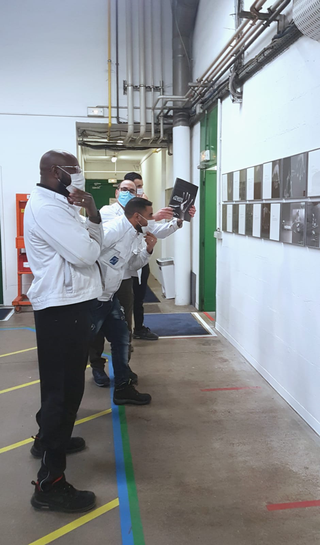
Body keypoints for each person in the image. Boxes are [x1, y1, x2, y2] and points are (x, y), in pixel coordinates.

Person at [24, 150, 103, 513]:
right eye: (75, 169)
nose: (80, 174)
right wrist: (93, 220)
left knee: (61, 389)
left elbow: (87, 246)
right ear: (57, 172)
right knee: (64, 393)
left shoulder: (60, 202)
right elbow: (87, 253)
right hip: (61, 309)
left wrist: (91, 212)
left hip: (68, 305)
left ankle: (47, 439)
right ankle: (50, 484)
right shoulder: (49, 209)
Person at [92, 197, 157, 404]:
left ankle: (122, 387)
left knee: (122, 338)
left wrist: (148, 250)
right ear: (137, 217)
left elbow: (132, 265)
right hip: (92, 299)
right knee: (83, 344)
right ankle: (66, 395)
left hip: (110, 297)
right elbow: (86, 255)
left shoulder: (134, 234)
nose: (152, 219)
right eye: (150, 215)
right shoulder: (112, 230)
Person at [124, 172, 196, 341]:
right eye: (134, 187)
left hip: (141, 259)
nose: (138, 190)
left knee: (138, 300)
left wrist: (180, 219)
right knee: (122, 304)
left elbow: (157, 231)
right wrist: (152, 217)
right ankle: (123, 337)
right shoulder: (111, 212)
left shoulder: (143, 210)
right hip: (120, 267)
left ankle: (139, 328)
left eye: (140, 186)